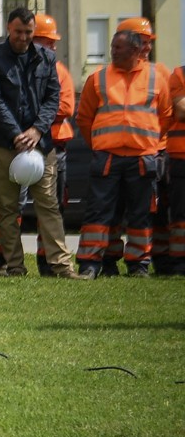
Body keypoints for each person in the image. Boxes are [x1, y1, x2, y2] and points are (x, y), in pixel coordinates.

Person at [0, 5, 71, 278]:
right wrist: (17, 134)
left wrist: (37, 131)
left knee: (49, 206)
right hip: (4, 144)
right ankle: (15, 266)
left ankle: (62, 266)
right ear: (9, 28)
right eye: (18, 31)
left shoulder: (47, 58)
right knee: (7, 209)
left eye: (28, 32)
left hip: (41, 145)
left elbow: (53, 98)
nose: (23, 37)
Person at [75, 17, 170, 278]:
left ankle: (138, 265)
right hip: (107, 157)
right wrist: (99, 143)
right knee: (100, 214)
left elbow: (165, 117)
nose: (113, 52)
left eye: (119, 48)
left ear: (136, 50)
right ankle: (92, 264)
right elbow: (84, 118)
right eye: (112, 47)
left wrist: (149, 143)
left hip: (142, 159)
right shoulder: (99, 78)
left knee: (140, 216)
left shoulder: (156, 78)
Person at [30, 12, 79, 277]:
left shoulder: (59, 71)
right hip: (23, 146)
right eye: (49, 41)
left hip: (54, 146)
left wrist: (33, 116)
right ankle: (2, 261)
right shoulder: (19, 66)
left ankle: (47, 262)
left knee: (52, 207)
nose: (54, 46)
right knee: (11, 207)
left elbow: (66, 107)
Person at [166, 58, 185, 275]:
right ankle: (180, 263)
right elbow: (181, 110)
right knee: (181, 215)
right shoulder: (179, 75)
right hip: (181, 156)